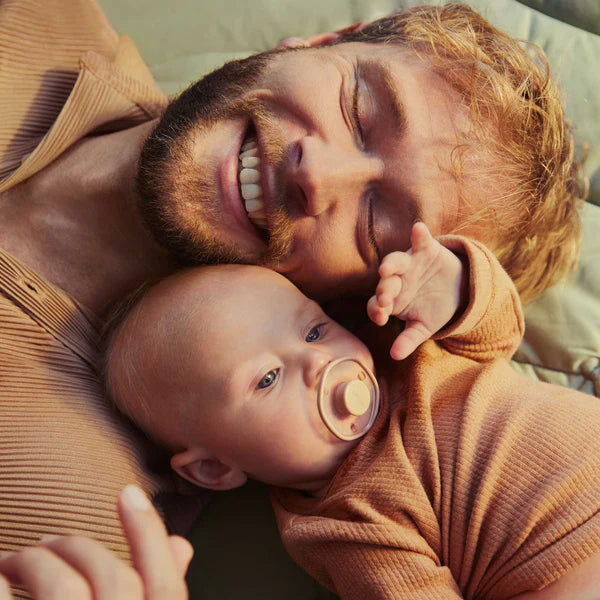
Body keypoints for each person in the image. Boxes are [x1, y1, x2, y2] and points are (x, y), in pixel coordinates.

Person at [0, 0, 585, 591]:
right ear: (323, 39)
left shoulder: (74, 524)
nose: (318, 174)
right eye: (359, 109)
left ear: (357, 308)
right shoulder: (38, 17)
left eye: (376, 225)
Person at [104, 223, 600, 599]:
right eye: (267, 378)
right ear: (215, 467)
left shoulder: (399, 345)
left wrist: (453, 288)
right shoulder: (342, 525)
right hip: (554, 561)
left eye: (314, 331)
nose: (318, 360)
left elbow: (500, 332)